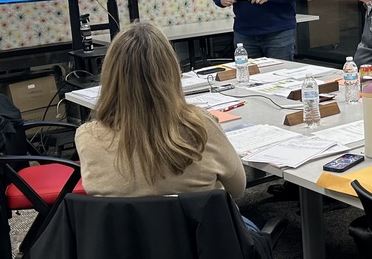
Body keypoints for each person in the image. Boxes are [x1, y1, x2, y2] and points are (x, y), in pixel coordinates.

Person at [75, 22, 247, 204]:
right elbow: (238, 188)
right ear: (173, 72)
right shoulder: (201, 127)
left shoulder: (87, 137)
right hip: (201, 230)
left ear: (109, 76)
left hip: (125, 232)